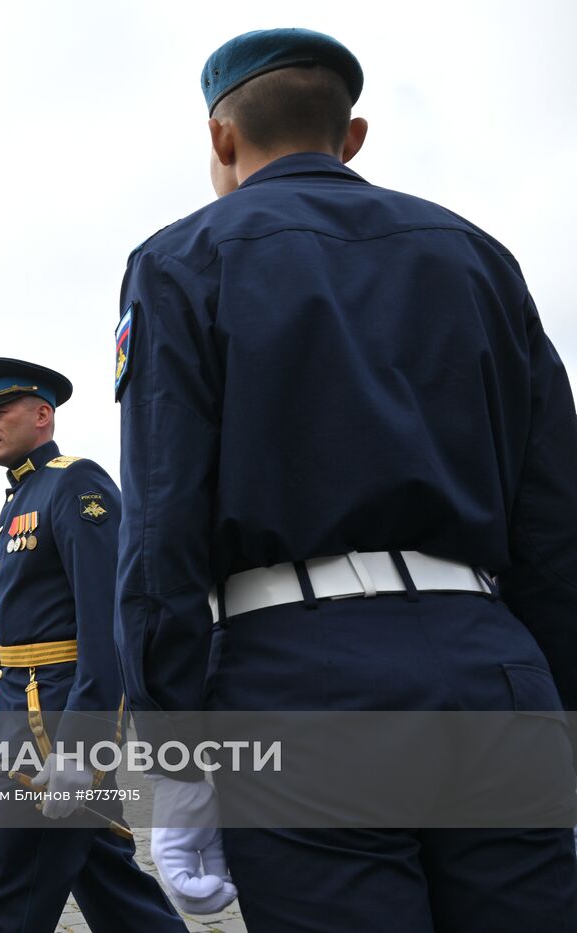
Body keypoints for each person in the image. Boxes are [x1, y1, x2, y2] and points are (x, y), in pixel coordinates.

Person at [115, 28, 577, 931]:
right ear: (351, 136)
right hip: (493, 667)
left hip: (301, 680)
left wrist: (178, 756)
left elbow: (162, 527)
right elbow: (556, 519)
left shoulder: (179, 262)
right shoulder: (482, 258)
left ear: (221, 138)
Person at [0, 358, 184, 932]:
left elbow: (107, 621)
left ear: (41, 415)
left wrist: (81, 745)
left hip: (51, 729)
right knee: (111, 887)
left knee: (4, 899)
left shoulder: (75, 482)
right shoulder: (15, 504)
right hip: (25, 721)